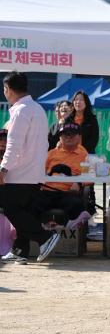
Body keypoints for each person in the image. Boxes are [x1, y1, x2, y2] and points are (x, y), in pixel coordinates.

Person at [0, 72, 61, 264]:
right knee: (24, 210)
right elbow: (44, 143)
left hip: (19, 173)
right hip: (34, 172)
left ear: (8, 89)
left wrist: (3, 169)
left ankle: (45, 238)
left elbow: (13, 145)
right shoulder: (38, 109)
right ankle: (20, 250)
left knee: (11, 208)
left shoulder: (20, 111)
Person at [41, 121, 89, 227]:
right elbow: (39, 172)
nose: (68, 137)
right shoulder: (51, 153)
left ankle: (68, 228)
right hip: (47, 191)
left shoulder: (84, 155)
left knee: (75, 204)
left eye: (72, 134)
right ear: (59, 137)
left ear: (79, 137)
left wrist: (79, 183)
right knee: (31, 201)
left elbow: (90, 176)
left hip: (68, 193)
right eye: (65, 134)